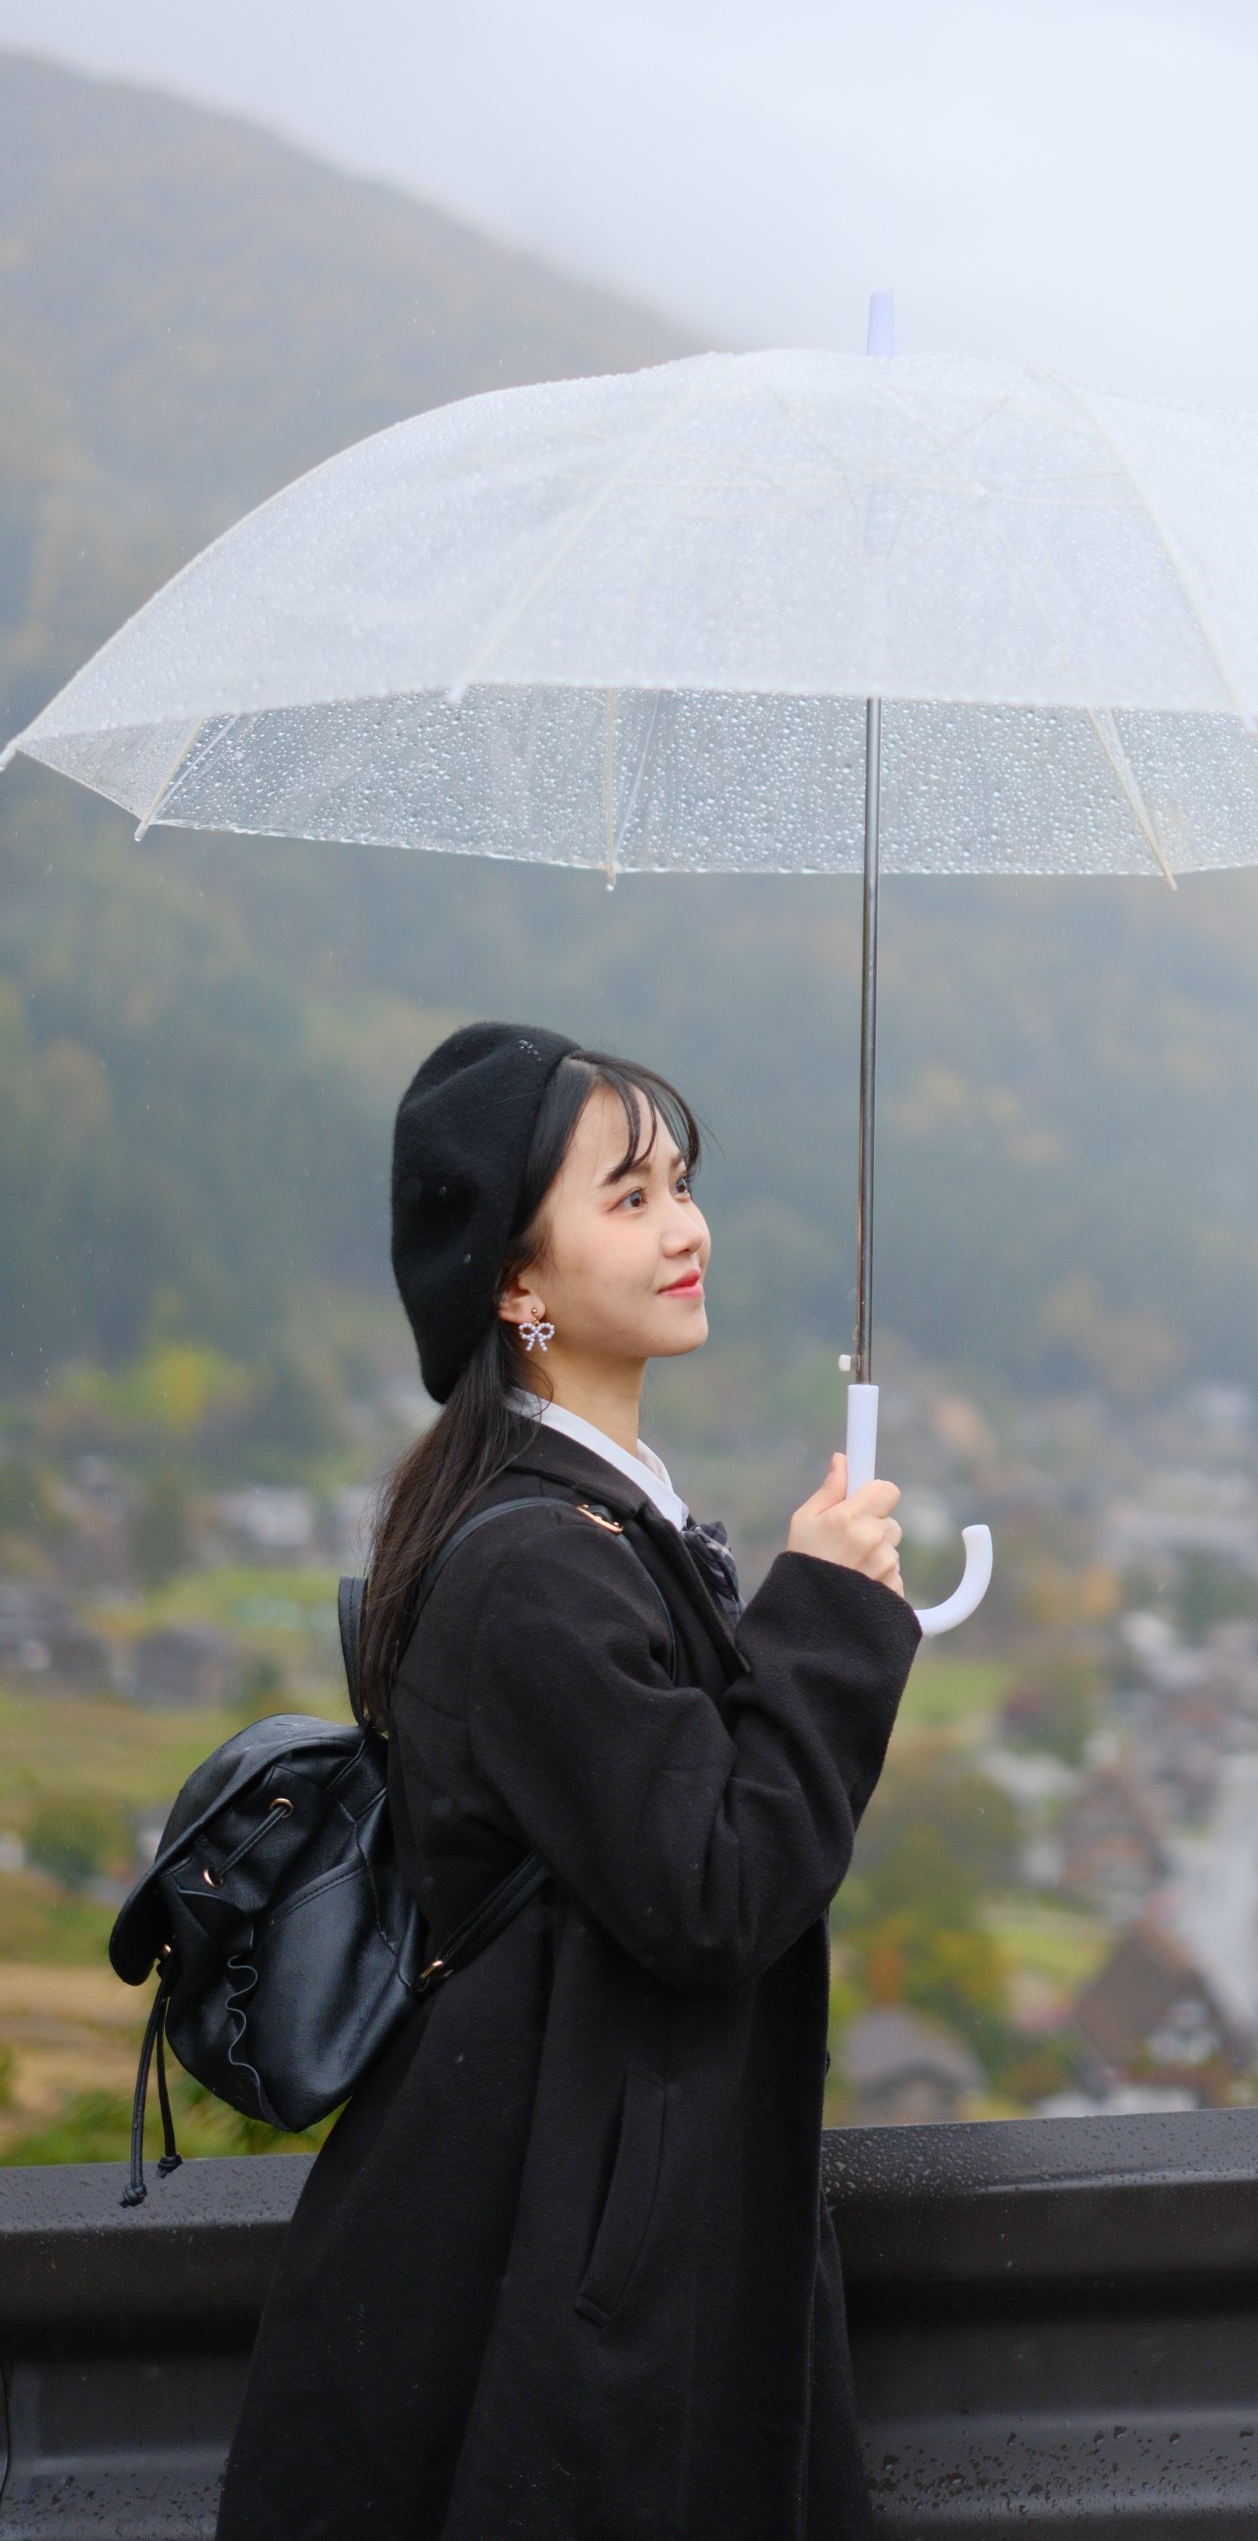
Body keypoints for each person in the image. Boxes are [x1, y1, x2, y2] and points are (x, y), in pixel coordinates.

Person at [217, 1021, 920, 2541]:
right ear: (516, 1286)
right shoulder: (537, 1569)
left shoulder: (598, 1529)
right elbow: (719, 1886)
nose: (685, 1228)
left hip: (595, 2237)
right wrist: (832, 1617)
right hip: (567, 2293)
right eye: (628, 1196)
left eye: (679, 1182)